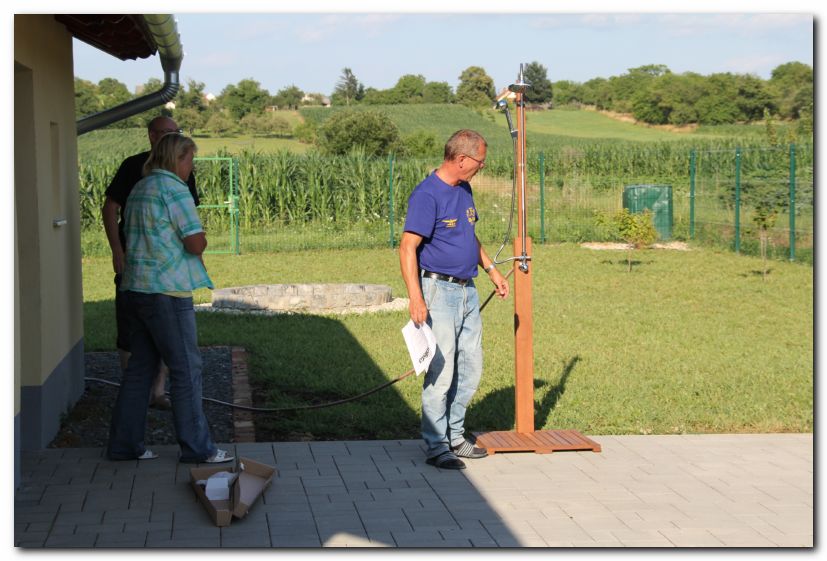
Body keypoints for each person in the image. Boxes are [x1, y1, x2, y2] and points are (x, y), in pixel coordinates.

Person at [107, 133, 231, 464]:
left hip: (136, 288)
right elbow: (194, 243)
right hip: (167, 291)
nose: (192, 166)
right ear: (177, 159)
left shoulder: (141, 187)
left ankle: (124, 445)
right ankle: (198, 449)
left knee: (141, 369)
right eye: (190, 159)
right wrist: (202, 237)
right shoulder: (175, 190)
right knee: (187, 368)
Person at [399, 129, 509, 470]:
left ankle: (456, 435)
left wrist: (491, 270)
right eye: (480, 162)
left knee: (471, 366)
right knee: (441, 371)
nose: (481, 167)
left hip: (467, 290)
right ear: (461, 159)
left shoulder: (465, 190)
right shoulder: (427, 195)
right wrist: (415, 297)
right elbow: (407, 247)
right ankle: (436, 445)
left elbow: (469, 235)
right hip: (437, 291)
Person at [102, 116, 200, 410]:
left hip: (146, 277)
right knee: (183, 362)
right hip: (161, 279)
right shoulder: (147, 175)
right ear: (151, 136)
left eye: (175, 133)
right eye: (167, 134)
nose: (191, 167)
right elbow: (193, 239)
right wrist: (117, 250)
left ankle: (150, 400)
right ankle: (196, 443)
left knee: (144, 353)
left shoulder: (150, 185)